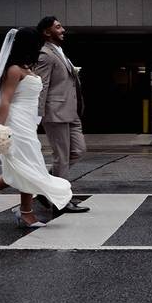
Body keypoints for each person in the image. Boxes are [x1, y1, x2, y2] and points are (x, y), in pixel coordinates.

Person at [0, 27, 73, 227]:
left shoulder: (28, 69)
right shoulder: (14, 69)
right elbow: (5, 101)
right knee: (28, 166)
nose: (41, 47)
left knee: (23, 167)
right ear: (29, 45)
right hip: (15, 123)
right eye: (39, 44)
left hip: (27, 122)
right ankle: (25, 213)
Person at [34, 16, 89, 213]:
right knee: (62, 158)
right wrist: (38, 115)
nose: (63, 29)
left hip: (71, 112)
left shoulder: (60, 51)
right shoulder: (45, 55)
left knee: (79, 151)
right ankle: (61, 202)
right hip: (56, 112)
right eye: (58, 27)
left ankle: (47, 187)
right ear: (47, 32)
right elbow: (42, 85)